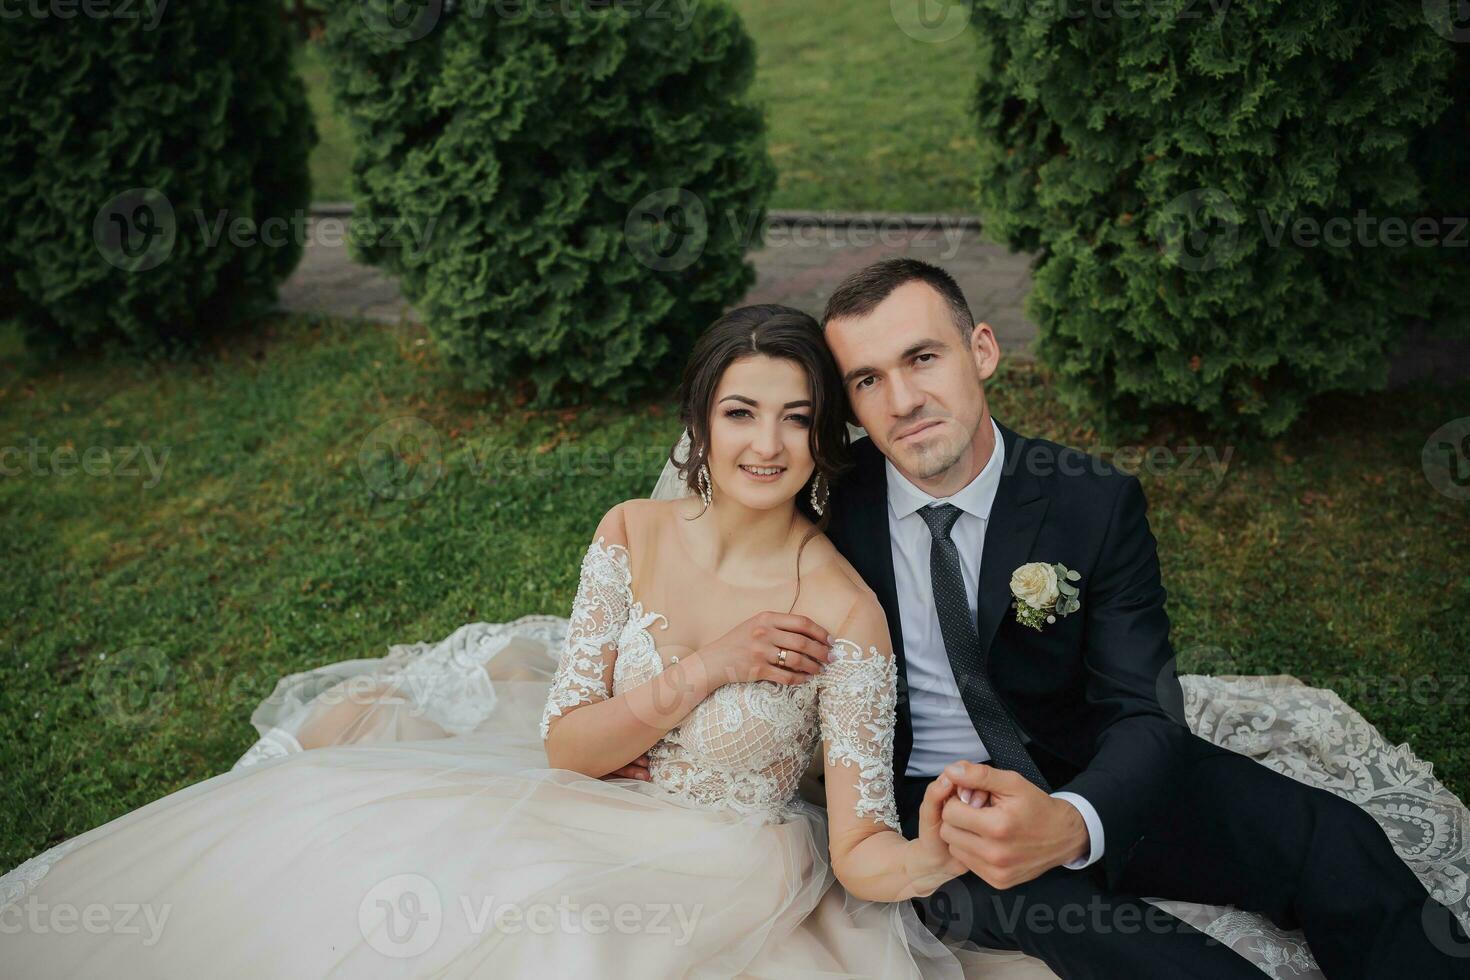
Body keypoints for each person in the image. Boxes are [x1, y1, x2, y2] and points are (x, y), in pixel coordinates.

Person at [0, 305, 1051, 978]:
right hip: (574, 803)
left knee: (566, 942)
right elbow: (567, 747)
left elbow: (862, 851)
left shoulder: (843, 611)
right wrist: (706, 667)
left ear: (826, 438)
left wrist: (933, 849)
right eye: (741, 412)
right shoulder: (629, 532)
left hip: (723, 864)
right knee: (357, 873)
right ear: (704, 420)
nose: (766, 444)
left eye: (795, 418)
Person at [810, 257, 1470, 978]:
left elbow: (1143, 709)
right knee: (1144, 953)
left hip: (1088, 763)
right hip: (935, 805)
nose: (901, 400)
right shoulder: (828, 509)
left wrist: (1075, 819)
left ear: (983, 351)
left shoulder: (1091, 501)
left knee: (1333, 839)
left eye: (923, 358)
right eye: (867, 380)